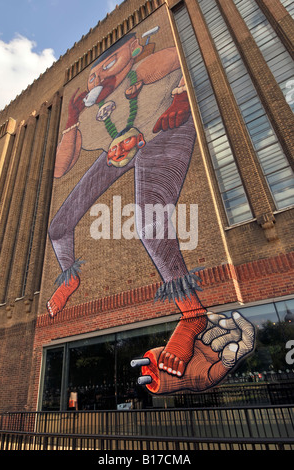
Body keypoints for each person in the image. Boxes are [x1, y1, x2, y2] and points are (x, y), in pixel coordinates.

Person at [46, 29, 250, 391]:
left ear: (132, 51)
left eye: (107, 66)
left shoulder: (142, 70)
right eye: (92, 76)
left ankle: (192, 314)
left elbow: (182, 60)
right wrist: (72, 118)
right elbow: (61, 168)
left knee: (149, 223)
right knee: (58, 226)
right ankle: (70, 277)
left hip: (165, 128)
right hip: (123, 144)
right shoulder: (94, 115)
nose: (99, 78)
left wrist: (180, 98)